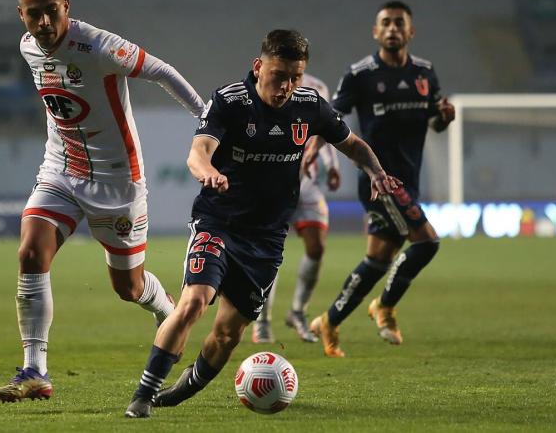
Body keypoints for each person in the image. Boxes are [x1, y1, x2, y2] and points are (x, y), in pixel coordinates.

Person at [124, 29, 399, 418]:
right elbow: (198, 152)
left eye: (295, 76)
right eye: (278, 75)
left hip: (267, 240)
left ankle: (178, 392)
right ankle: (143, 394)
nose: (286, 86)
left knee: (227, 334)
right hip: (218, 222)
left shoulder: (309, 106)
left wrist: (376, 172)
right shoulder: (230, 101)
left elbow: (351, 142)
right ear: (258, 67)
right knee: (193, 302)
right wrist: (208, 173)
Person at [0, 0, 205, 403]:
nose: (44, 23)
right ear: (22, 15)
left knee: (127, 288)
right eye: (35, 15)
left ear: (66, 6)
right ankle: (35, 370)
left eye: (52, 11)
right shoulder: (27, 46)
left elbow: (162, 71)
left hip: (116, 181)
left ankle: (166, 308)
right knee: (31, 250)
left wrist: (207, 119)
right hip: (60, 171)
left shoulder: (99, 46)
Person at [309, 0, 455, 358]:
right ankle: (385, 308)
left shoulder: (425, 72)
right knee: (426, 243)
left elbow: (434, 121)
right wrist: (311, 150)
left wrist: (444, 118)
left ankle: (330, 319)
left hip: (410, 179)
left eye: (399, 23)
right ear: (376, 32)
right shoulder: (360, 74)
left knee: (378, 258)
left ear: (410, 31)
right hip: (380, 181)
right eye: (386, 23)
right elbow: (329, 117)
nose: (392, 28)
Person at [252, 73, 341, 344]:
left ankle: (297, 311)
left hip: (307, 180)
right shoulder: (265, 84)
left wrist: (333, 165)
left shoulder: (318, 87)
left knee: (317, 247)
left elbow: (326, 128)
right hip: (271, 179)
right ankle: (262, 321)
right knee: (269, 252)